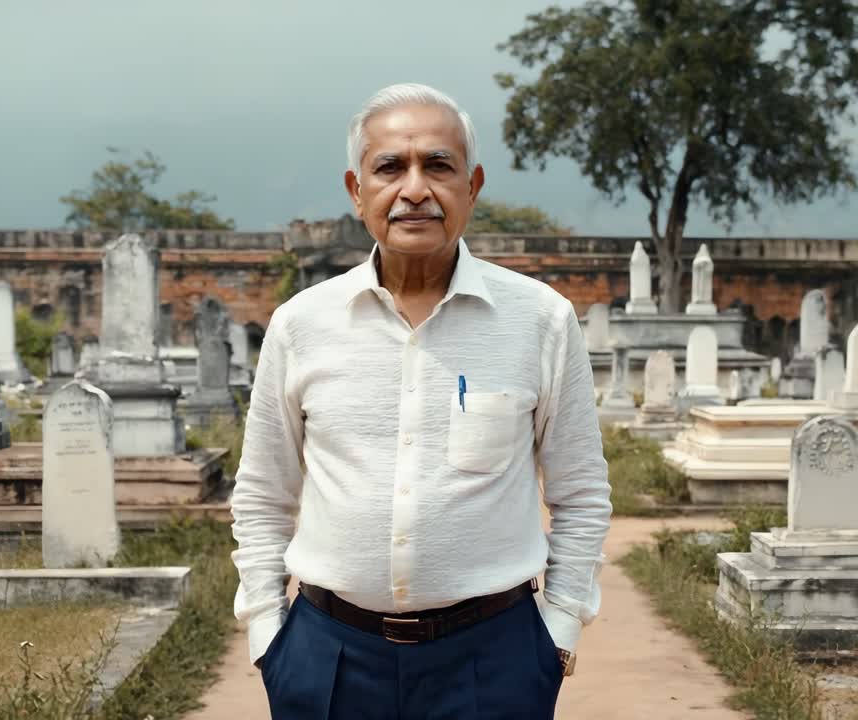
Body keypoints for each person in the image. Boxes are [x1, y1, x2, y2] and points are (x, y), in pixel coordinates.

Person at [230, 82, 611, 719]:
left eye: (438, 166)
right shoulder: (302, 324)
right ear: (357, 190)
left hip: (496, 657)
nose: (414, 190)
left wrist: (561, 627)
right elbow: (264, 491)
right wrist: (269, 634)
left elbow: (579, 488)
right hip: (329, 656)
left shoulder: (538, 320)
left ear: (473, 185)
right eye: (389, 168)